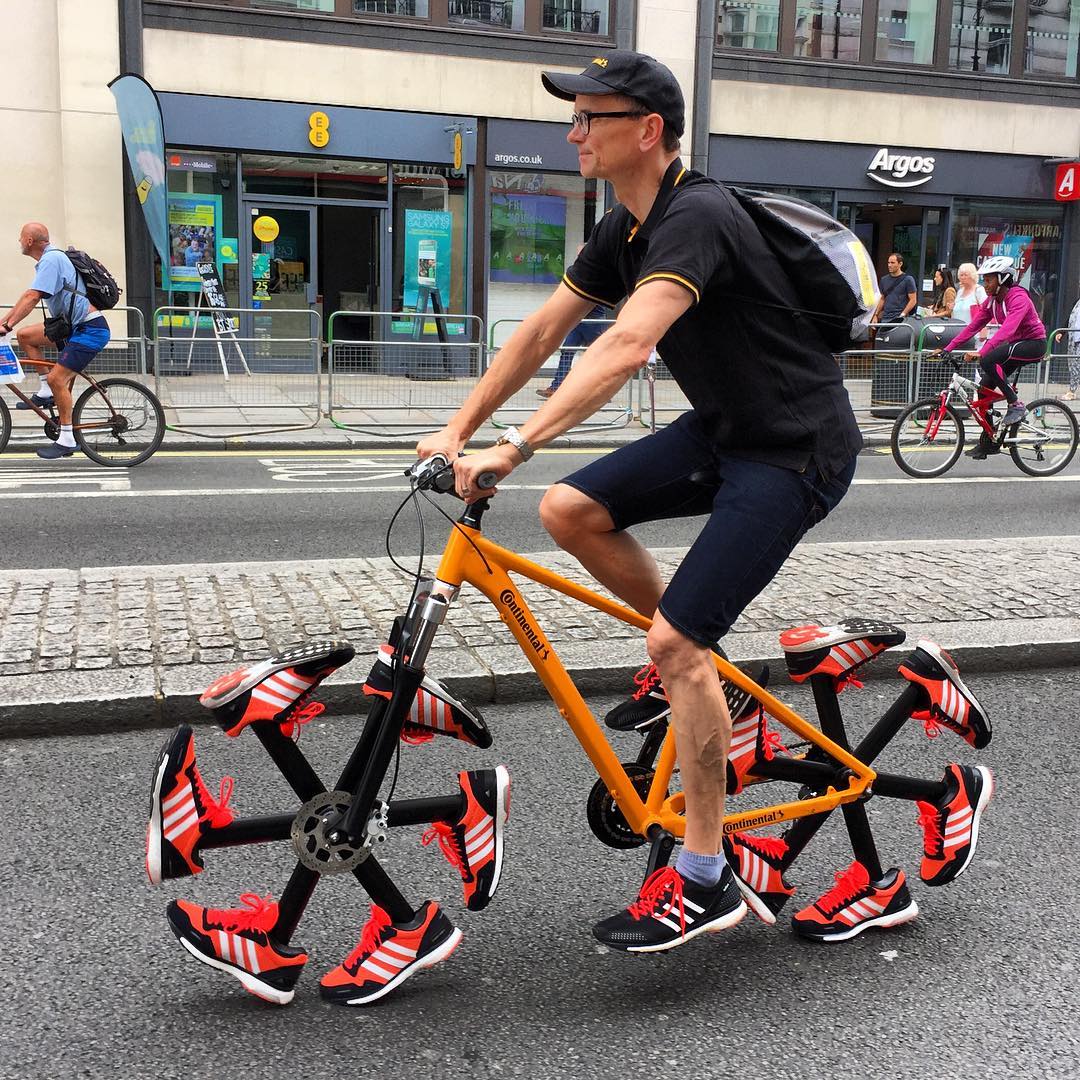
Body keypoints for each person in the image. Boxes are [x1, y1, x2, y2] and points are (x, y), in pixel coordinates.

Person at [416, 51, 865, 954]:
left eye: (590, 118)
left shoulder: (696, 214)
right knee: (570, 511)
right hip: (727, 429)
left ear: (648, 130)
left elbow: (625, 345)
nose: (573, 133)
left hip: (795, 447)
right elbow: (542, 331)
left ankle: (702, 877)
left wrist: (516, 445)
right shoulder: (623, 226)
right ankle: (710, 678)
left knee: (673, 645)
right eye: (573, 117)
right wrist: (456, 428)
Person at [1, 223, 111, 459]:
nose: (19, 241)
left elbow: (33, 297)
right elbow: (27, 296)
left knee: (57, 379)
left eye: (21, 237)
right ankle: (45, 391)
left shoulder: (52, 260)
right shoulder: (48, 261)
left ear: (30, 241)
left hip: (90, 329)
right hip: (73, 328)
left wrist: (7, 326)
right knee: (25, 336)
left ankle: (67, 439)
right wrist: (4, 322)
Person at [940, 255, 1047, 459]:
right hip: (1016, 345)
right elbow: (974, 326)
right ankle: (989, 442)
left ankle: (1015, 404)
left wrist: (983, 351)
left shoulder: (1018, 297)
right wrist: (949, 347)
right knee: (983, 390)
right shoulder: (992, 301)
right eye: (984, 279)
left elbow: (1008, 330)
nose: (985, 284)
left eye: (989, 280)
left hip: (1034, 344)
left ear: (1003, 279)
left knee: (988, 360)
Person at [870, 252, 918, 330]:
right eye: (888, 263)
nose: (889, 265)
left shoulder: (908, 279)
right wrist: (876, 315)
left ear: (900, 264)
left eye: (892, 263)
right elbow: (882, 299)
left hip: (901, 320)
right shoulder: (884, 280)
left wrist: (903, 314)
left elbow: (913, 300)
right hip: (885, 318)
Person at [951, 261, 986, 327]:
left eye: (966, 275)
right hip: (957, 329)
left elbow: (985, 312)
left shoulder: (979, 290)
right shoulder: (960, 292)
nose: (963, 277)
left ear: (972, 276)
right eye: (961, 275)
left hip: (973, 330)